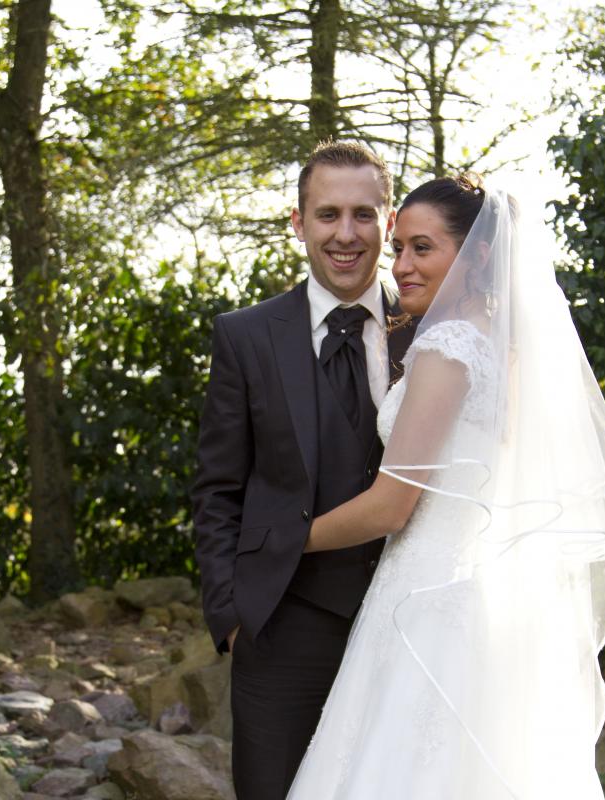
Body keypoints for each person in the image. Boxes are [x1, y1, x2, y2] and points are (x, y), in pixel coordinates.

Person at [285, 175, 605, 799]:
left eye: (421, 248)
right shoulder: (504, 349)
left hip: (424, 602)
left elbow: (392, 504)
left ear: (477, 254)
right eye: (399, 247)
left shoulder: (448, 349)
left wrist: (284, 540)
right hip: (480, 600)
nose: (400, 266)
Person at [191, 140, 415, 800]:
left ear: (390, 220)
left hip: (408, 624)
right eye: (327, 215)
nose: (346, 235)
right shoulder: (247, 336)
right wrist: (229, 610)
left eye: (364, 214)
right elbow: (218, 485)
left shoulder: (430, 330)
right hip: (280, 623)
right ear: (298, 222)